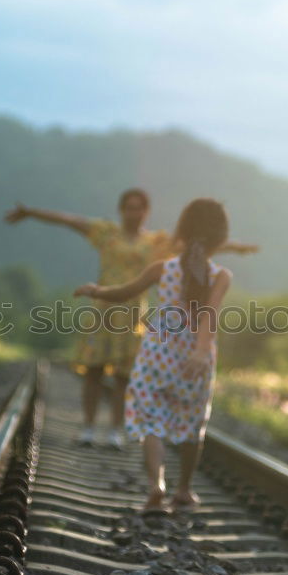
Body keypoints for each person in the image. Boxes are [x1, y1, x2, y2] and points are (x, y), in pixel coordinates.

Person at [6, 189, 255, 449]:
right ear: (121, 209)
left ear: (146, 212)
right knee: (94, 372)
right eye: (129, 207)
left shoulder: (156, 243)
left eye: (139, 208)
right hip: (103, 311)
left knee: (124, 377)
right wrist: (31, 212)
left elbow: (199, 243)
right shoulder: (106, 233)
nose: (134, 213)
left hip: (134, 317)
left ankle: (115, 429)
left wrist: (235, 247)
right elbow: (70, 220)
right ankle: (89, 426)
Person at [74, 198, 232, 511]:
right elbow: (208, 317)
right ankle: (183, 490)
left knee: (151, 421)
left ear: (181, 232)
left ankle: (155, 487)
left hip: (157, 353)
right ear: (220, 238)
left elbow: (122, 293)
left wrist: (96, 290)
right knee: (192, 423)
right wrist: (200, 352)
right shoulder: (221, 276)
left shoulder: (163, 268)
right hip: (194, 357)